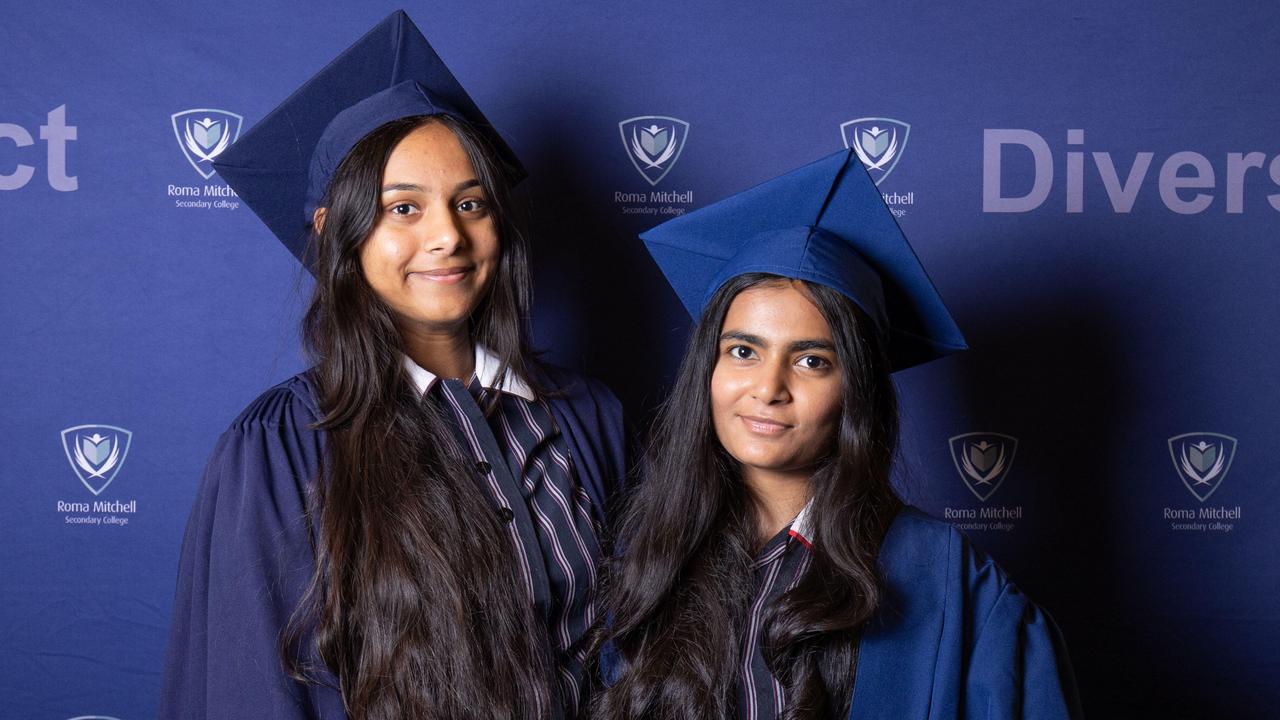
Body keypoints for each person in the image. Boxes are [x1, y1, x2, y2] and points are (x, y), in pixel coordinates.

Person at [159, 12, 624, 720]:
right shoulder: (286, 448)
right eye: (403, 208)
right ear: (335, 231)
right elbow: (258, 694)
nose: (447, 235)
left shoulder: (585, 417)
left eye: (470, 202)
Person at [592, 149, 1082, 719]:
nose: (768, 387)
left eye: (812, 361)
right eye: (743, 351)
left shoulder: (946, 581)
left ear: (857, 389)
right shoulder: (651, 558)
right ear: (709, 368)